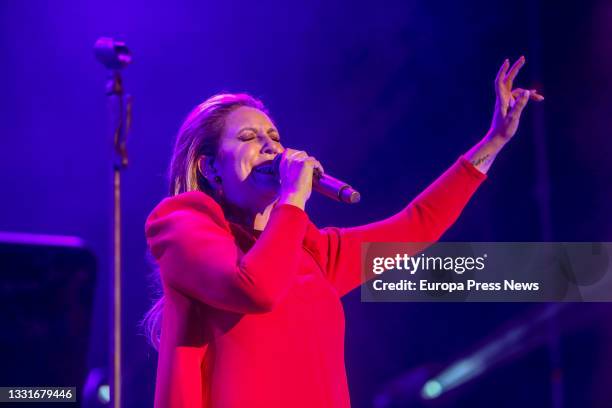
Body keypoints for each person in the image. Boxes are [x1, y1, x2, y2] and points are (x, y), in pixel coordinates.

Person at [143, 57, 543, 407]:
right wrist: (293, 202)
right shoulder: (182, 224)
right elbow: (255, 288)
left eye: (275, 138)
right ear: (211, 168)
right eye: (249, 138)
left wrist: (494, 141)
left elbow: (416, 225)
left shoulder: (313, 252)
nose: (271, 148)